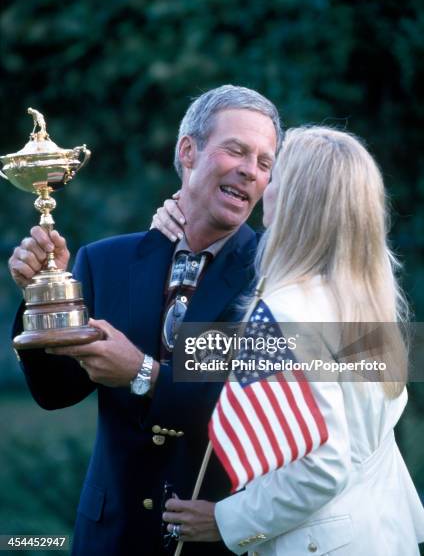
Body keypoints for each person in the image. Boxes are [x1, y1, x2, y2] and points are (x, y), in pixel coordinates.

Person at [8, 85, 282, 555]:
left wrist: (142, 374)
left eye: (264, 161)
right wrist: (40, 298)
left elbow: (254, 406)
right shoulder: (105, 260)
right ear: (188, 151)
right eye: (236, 150)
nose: (250, 170)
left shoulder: (277, 276)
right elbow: (56, 393)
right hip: (110, 536)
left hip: (215, 541)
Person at [156, 126, 424, 554]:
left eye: (274, 174)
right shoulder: (366, 296)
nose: (264, 184)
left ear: (298, 201)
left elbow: (321, 468)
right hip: (379, 533)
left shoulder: (287, 308)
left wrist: (227, 520)